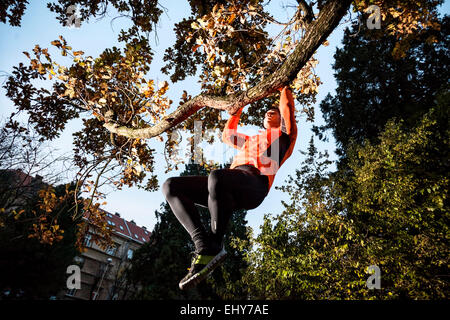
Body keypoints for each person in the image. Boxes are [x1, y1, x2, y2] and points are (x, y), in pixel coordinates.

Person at [162, 86, 297, 290]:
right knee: (171, 186)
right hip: (230, 182)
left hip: (254, 184)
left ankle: (215, 244)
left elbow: (286, 108)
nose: (270, 112)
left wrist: (283, 87)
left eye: (274, 111)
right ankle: (204, 247)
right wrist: (238, 108)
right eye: (267, 112)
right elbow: (228, 136)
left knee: (218, 176)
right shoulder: (251, 140)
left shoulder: (285, 135)